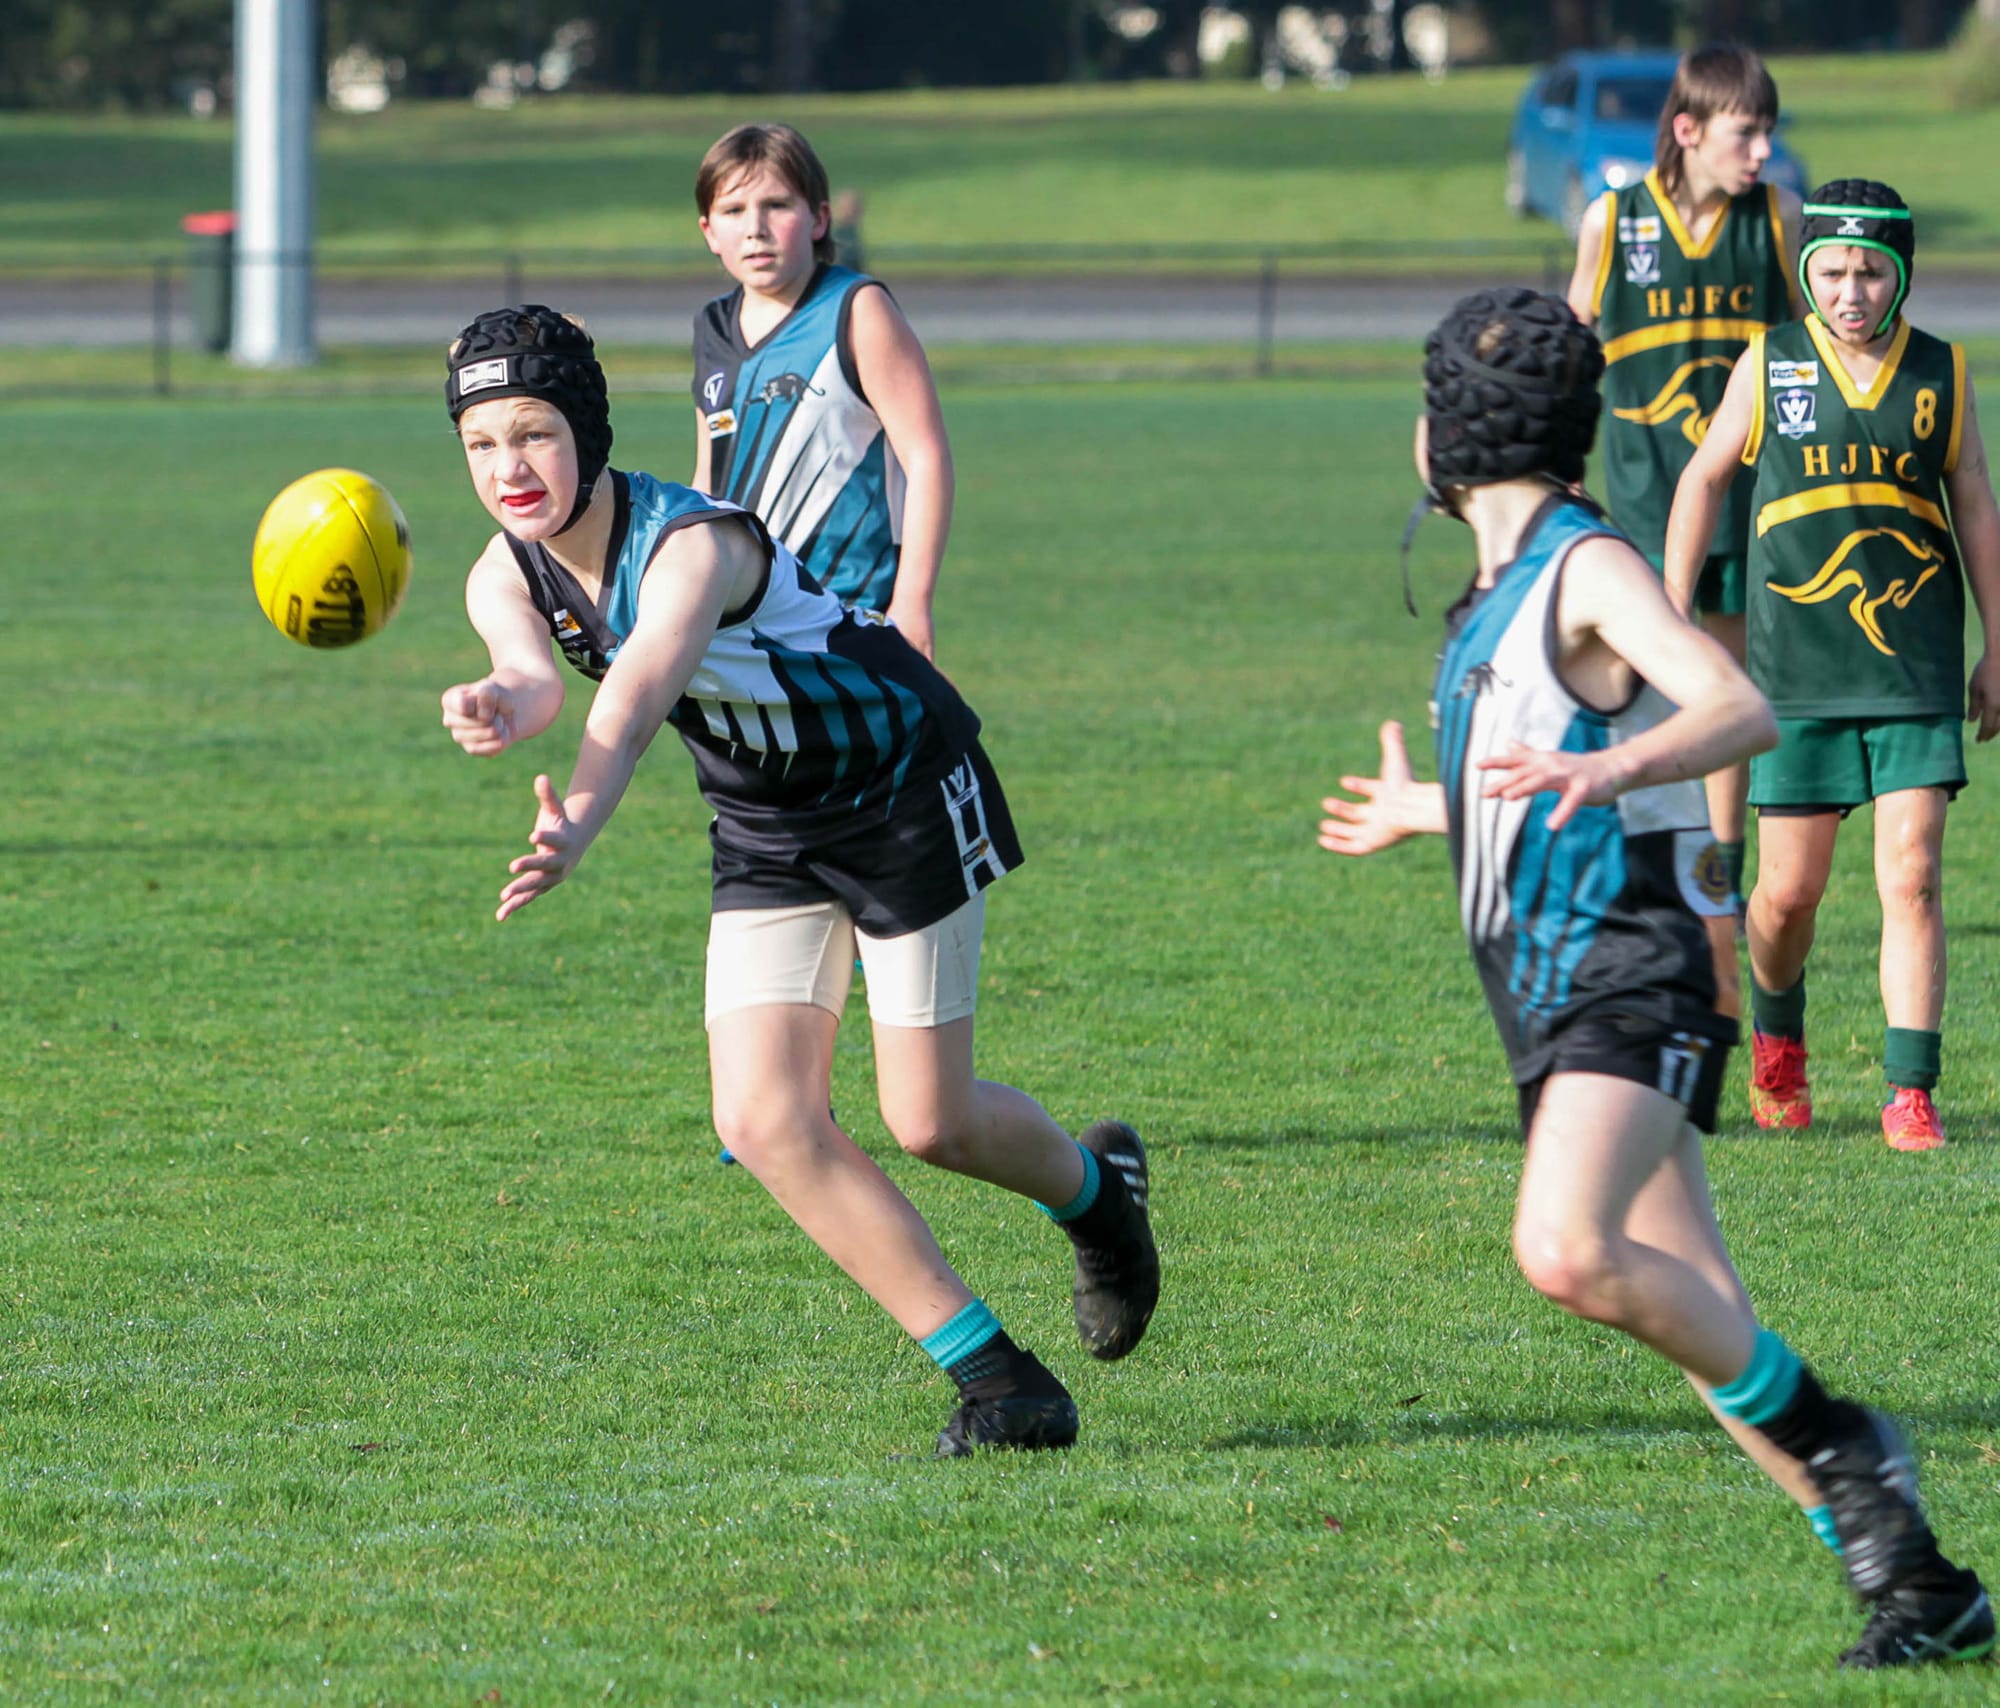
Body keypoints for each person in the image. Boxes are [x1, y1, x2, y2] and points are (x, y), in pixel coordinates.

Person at [1319, 286, 1991, 1668]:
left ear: (1443, 438)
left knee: (1563, 1247)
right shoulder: (1498, 593)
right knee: (1701, 1324)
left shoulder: (1584, 565)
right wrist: (1427, 810)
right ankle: (1920, 1586)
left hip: (1634, 969)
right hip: (1554, 985)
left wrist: (1620, 761)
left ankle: (1849, 1443)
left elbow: (1738, 706)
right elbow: (1541, 777)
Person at [435, 304, 1158, 1455]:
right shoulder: (502, 568)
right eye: (480, 443)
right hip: (767, 823)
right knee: (763, 1117)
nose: (507, 467)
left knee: (930, 1120)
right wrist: (495, 703)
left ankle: (1098, 1194)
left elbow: (633, 698)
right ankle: (1000, 1384)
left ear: (587, 431)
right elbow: (532, 675)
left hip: (899, 786)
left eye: (533, 433)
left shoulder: (692, 546)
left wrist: (576, 820)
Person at [1665, 181, 2000, 1150]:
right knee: (1785, 897)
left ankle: (1910, 1089)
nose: (1851, 292)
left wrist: (1997, 645)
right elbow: (1702, 477)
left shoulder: (1942, 371)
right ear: (1807, 271)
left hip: (1912, 667)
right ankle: (1777, 1037)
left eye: (1870, 273)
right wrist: (1671, 613)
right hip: (1795, 672)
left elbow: (1975, 505)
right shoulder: (1771, 361)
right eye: (1832, 271)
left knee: (1913, 874)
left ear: (1900, 275)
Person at [1569, 43, 1801, 974]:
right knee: (1621, 690)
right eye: (1747, 133)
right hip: (1637, 500)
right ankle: (1620, 873)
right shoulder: (1613, 220)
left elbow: (1814, 355)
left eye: (1768, 132)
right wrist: (1558, 466)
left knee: (1723, 689)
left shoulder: (1777, 217)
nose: (1762, 152)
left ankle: (1718, 882)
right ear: (1687, 129)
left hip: (1742, 503)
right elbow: (1570, 356)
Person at [690, 123, 948, 660]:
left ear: (819, 219)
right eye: (733, 210)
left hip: (850, 613)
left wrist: (913, 602)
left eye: (777, 205)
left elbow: (925, 457)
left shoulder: (858, 310)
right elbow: (709, 479)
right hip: (740, 619)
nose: (755, 228)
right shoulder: (712, 328)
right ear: (709, 231)